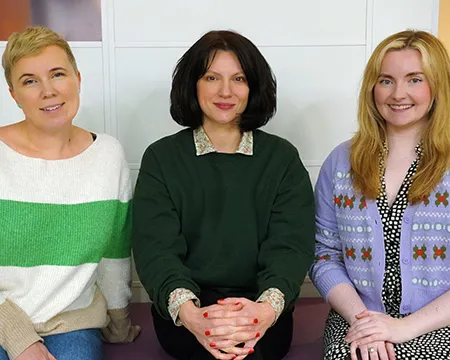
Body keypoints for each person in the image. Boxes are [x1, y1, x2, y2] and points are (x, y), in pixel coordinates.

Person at [132, 30, 315, 360]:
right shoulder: (161, 157)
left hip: (263, 309)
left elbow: (291, 246)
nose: (225, 91)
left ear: (253, 87)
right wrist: (194, 317)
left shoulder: (282, 158)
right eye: (211, 77)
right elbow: (155, 249)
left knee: (246, 352)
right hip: (186, 312)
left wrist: (262, 311)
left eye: (239, 78)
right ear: (193, 85)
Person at [0, 26, 140, 360]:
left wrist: (118, 322)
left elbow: (114, 250)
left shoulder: (108, 155)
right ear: (13, 94)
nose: (48, 91)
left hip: (73, 322)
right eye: (30, 80)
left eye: (57, 74)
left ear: (77, 78)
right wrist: (20, 339)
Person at [310, 29, 450, 360]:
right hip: (357, 318)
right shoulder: (341, 162)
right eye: (386, 80)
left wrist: (402, 328)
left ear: (438, 86)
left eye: (415, 79)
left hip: (439, 322)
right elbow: (324, 255)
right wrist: (366, 323)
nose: (398, 93)